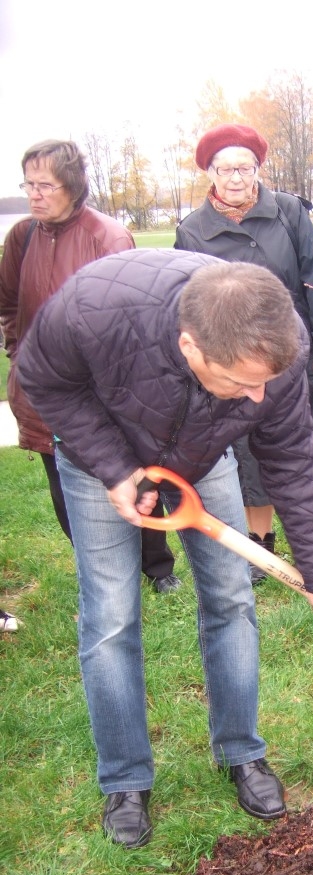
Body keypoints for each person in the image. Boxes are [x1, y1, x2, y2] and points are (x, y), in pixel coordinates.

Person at [16, 249, 313, 849]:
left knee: (230, 595)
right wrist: (118, 470)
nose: (256, 398)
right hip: (98, 458)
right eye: (239, 382)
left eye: (264, 382)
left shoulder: (278, 341)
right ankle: (125, 781)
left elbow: (290, 461)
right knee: (112, 617)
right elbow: (42, 379)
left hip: (200, 454)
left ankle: (242, 753)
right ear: (190, 346)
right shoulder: (93, 308)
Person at [0, 139, 181, 595]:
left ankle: (157, 568)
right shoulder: (21, 238)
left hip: (104, 396)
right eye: (29, 184)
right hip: (44, 394)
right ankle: (102, 573)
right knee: (66, 490)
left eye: (45, 185)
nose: (35, 194)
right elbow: (9, 306)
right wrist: (21, 355)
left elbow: (132, 324)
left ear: (73, 186)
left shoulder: (108, 237)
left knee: (132, 479)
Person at [175, 124, 313, 585]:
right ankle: (260, 544)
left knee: (299, 445)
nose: (236, 177)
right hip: (231, 361)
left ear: (258, 169)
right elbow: (186, 299)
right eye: (225, 168)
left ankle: (312, 542)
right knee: (247, 454)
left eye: (245, 168)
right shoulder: (192, 230)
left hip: (291, 352)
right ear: (209, 173)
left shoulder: (288, 212)